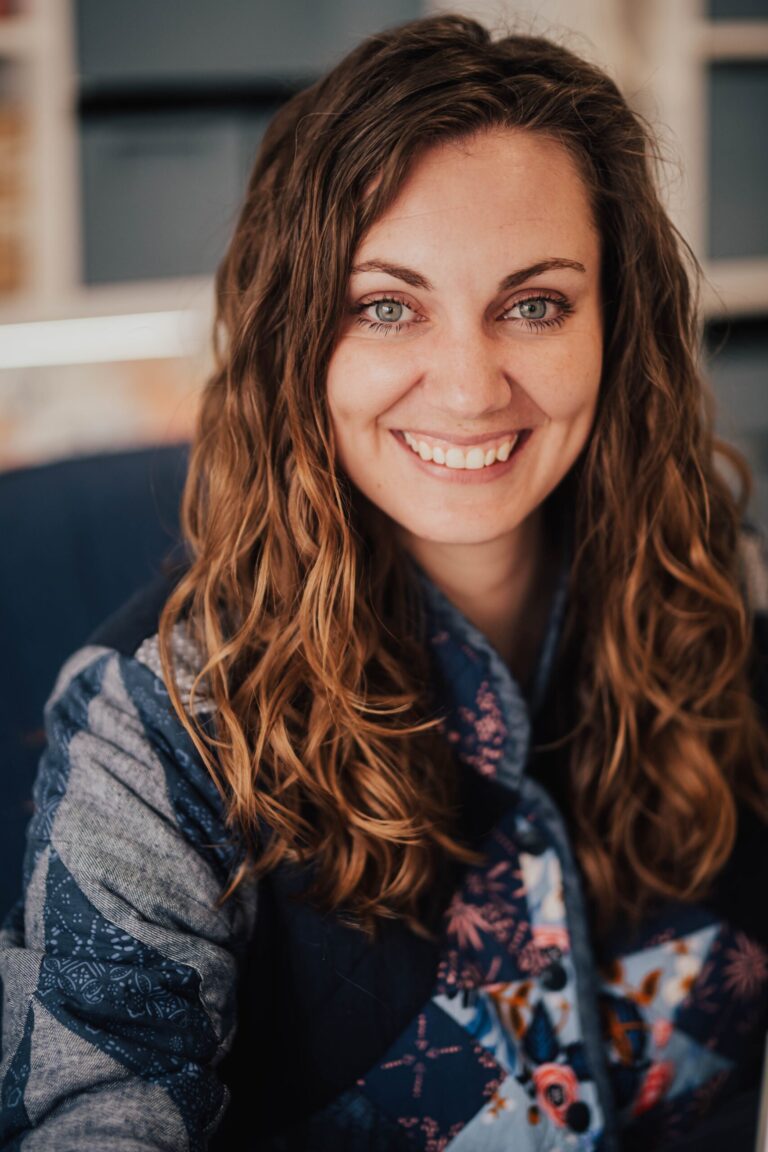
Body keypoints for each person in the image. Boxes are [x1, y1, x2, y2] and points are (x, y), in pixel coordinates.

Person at [1, 13, 767, 1152]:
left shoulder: (719, 598)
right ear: (296, 335)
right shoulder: (156, 732)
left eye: (535, 304)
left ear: (620, 328)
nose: (468, 387)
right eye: (386, 306)